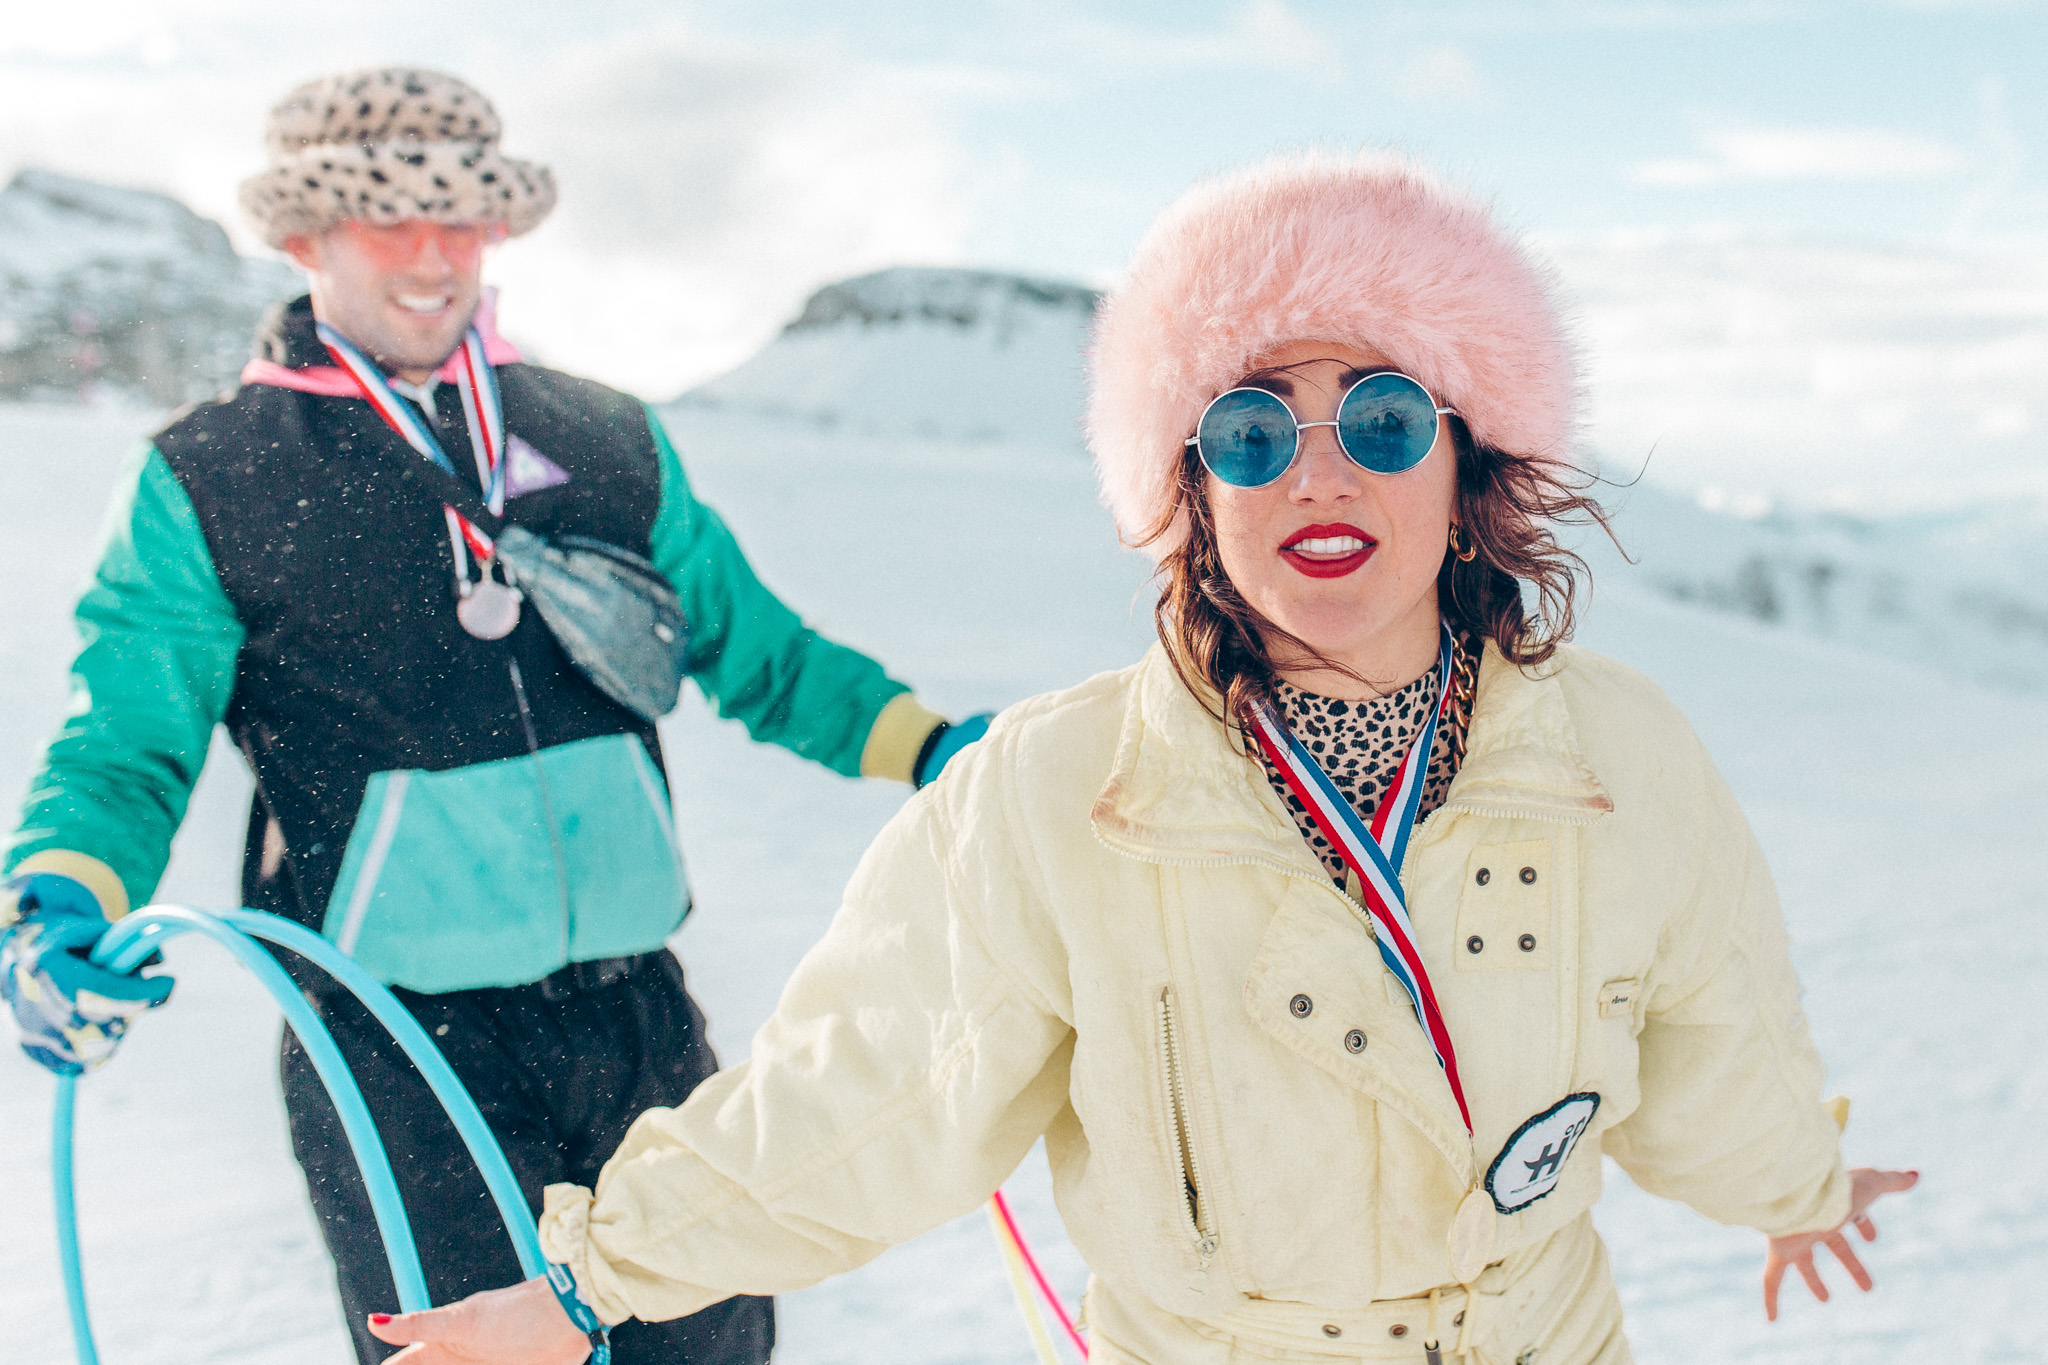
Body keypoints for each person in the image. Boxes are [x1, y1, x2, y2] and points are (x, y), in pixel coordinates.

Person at [363, 152, 1916, 1365]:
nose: (1317, 466)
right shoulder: (1054, 797)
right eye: (1248, 430)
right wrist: (590, 1281)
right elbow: (861, 1096)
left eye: (1381, 417)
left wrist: (1797, 1190)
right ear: (1193, 492)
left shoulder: (1620, 756)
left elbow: (1721, 1043)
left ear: (1469, 458)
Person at [0, 68, 988, 1365]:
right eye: (389, 220)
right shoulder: (214, 475)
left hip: (637, 1020)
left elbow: (763, 653)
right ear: (305, 237)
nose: (432, 256)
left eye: (461, 218)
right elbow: (128, 737)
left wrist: (938, 750)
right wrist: (59, 896)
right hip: (395, 1044)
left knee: (711, 1350)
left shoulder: (604, 435)